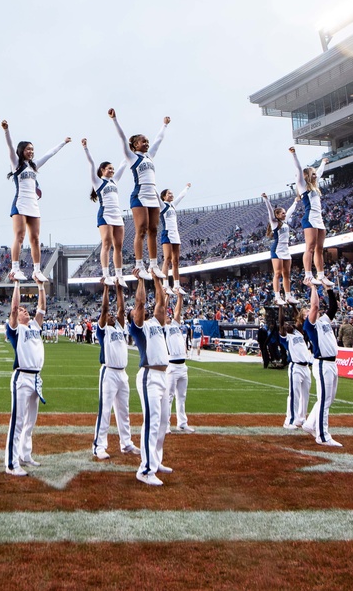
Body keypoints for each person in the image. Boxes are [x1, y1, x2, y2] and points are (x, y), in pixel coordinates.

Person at [1, 119, 70, 282]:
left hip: (33, 205)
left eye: (32, 149)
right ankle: (15, 268)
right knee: (19, 235)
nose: (31, 151)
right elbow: (10, 147)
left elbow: (50, 154)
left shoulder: (34, 166)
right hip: (20, 204)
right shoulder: (16, 164)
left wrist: (63, 142)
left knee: (36, 238)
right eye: (28, 149)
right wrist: (6, 130)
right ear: (22, 151)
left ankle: (37, 270)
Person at [110, 108, 171, 280]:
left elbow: (159, 140)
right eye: (143, 142)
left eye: (147, 141)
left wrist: (164, 126)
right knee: (142, 229)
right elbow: (122, 138)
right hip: (140, 195)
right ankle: (139, 264)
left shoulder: (149, 157)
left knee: (153, 229)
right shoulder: (131, 157)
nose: (146, 144)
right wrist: (115, 119)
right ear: (135, 145)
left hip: (153, 195)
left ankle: (153, 264)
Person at [127, 267, 172, 486]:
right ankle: (145, 470)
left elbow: (161, 305)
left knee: (163, 422)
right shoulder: (138, 327)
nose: (139, 312)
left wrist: (156, 279)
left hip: (164, 375)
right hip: (149, 376)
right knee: (152, 422)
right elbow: (141, 303)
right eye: (135, 312)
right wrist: (142, 281)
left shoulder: (155, 322)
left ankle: (156, 460)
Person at [4, 276, 47, 476]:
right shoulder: (16, 329)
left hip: (36, 378)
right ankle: (11, 464)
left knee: (30, 421)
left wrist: (40, 287)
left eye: (25, 309)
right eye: (22, 310)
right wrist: (17, 284)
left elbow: (42, 309)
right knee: (18, 422)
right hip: (22, 378)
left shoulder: (34, 327)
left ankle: (25, 454)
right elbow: (13, 308)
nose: (24, 311)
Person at [92, 282, 139, 460]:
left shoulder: (119, 327)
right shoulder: (103, 330)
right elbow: (105, 309)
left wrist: (119, 288)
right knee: (105, 410)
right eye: (109, 316)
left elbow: (121, 308)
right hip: (109, 372)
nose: (112, 316)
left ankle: (126, 443)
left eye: (113, 316)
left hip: (122, 373)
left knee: (123, 410)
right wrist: (106, 288)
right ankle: (99, 446)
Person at [82, 138, 128, 287]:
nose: (112, 171)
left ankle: (119, 275)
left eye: (112, 169)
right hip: (105, 215)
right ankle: (106, 274)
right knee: (106, 244)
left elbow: (124, 163)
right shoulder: (98, 182)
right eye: (109, 168)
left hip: (117, 216)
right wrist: (86, 148)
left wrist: (129, 149)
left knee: (119, 246)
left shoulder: (114, 181)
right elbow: (91, 164)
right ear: (102, 170)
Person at [302, 282, 342, 446]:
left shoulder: (324, 321)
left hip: (332, 363)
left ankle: (310, 424)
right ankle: (322, 436)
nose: (310, 311)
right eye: (307, 311)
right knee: (324, 400)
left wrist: (329, 288)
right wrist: (313, 287)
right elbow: (315, 306)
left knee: (328, 399)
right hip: (322, 364)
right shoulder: (310, 325)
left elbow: (333, 307)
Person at [290, 147, 332, 287]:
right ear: (307, 175)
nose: (315, 175)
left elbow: (319, 172)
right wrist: (294, 154)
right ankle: (308, 275)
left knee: (320, 248)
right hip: (309, 218)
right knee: (310, 247)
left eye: (315, 173)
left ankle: (321, 275)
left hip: (319, 219)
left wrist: (323, 163)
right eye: (312, 173)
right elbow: (299, 168)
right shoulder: (303, 186)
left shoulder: (315, 186)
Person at [261, 192, 300, 305]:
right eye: (282, 213)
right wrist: (266, 200)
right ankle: (277, 296)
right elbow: (269, 211)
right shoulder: (274, 223)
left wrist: (295, 202)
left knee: (287, 274)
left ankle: (288, 296)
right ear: (277, 215)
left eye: (284, 213)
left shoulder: (284, 221)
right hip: (277, 250)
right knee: (277, 273)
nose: (284, 214)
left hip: (286, 249)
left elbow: (291, 211)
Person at [164, 291, 194, 433]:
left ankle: (182, 423)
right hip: (171, 366)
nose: (169, 317)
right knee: (168, 397)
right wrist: (167, 297)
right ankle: (166, 424)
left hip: (183, 366)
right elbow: (162, 310)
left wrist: (180, 297)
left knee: (181, 397)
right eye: (166, 316)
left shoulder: (175, 326)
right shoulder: (162, 328)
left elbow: (177, 311)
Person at [279, 305, 312, 430]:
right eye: (286, 324)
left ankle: (301, 418)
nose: (288, 324)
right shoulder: (286, 337)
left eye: (290, 323)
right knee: (294, 394)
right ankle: (289, 420)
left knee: (305, 394)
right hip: (296, 367)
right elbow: (281, 323)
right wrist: (281, 307)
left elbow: (299, 319)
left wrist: (293, 305)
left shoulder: (299, 332)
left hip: (306, 367)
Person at [158, 183, 191, 294]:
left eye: (172, 193)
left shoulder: (173, 205)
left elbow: (181, 196)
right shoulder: (163, 206)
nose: (171, 195)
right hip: (167, 233)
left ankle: (177, 285)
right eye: (169, 193)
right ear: (164, 196)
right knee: (167, 259)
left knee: (176, 261)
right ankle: (165, 284)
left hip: (175, 234)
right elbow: (155, 195)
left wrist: (186, 187)